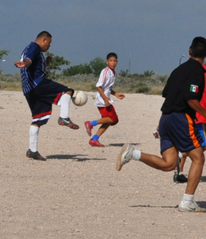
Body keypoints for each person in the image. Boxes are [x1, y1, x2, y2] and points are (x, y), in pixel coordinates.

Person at [117, 36, 206, 213]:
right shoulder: (199, 72)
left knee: (169, 163)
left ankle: (133, 153)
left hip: (165, 118)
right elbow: (190, 98)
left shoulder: (178, 70)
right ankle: (187, 202)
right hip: (180, 118)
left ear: (190, 51)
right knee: (198, 158)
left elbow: (166, 93)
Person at [15, 31, 79, 161]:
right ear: (44, 40)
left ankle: (32, 151)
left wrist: (46, 63)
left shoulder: (34, 51)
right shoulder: (34, 47)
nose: (48, 47)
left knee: (38, 119)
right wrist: (25, 63)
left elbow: (33, 64)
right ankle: (64, 118)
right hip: (37, 84)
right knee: (67, 91)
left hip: (28, 90)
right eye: (49, 44)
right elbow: (28, 59)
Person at [173, 62, 206, 183]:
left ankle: (180, 173)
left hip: (185, 111)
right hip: (200, 111)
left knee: (188, 140)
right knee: (202, 145)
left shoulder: (183, 68)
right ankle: (182, 156)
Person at [84, 52, 125, 147]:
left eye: (115, 61)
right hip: (102, 99)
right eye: (111, 61)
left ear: (117, 62)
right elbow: (98, 86)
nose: (113, 62)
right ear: (107, 62)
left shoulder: (113, 72)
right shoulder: (105, 71)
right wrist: (105, 98)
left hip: (107, 99)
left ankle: (94, 140)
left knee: (113, 120)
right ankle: (90, 123)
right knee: (111, 119)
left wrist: (116, 94)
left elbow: (107, 88)